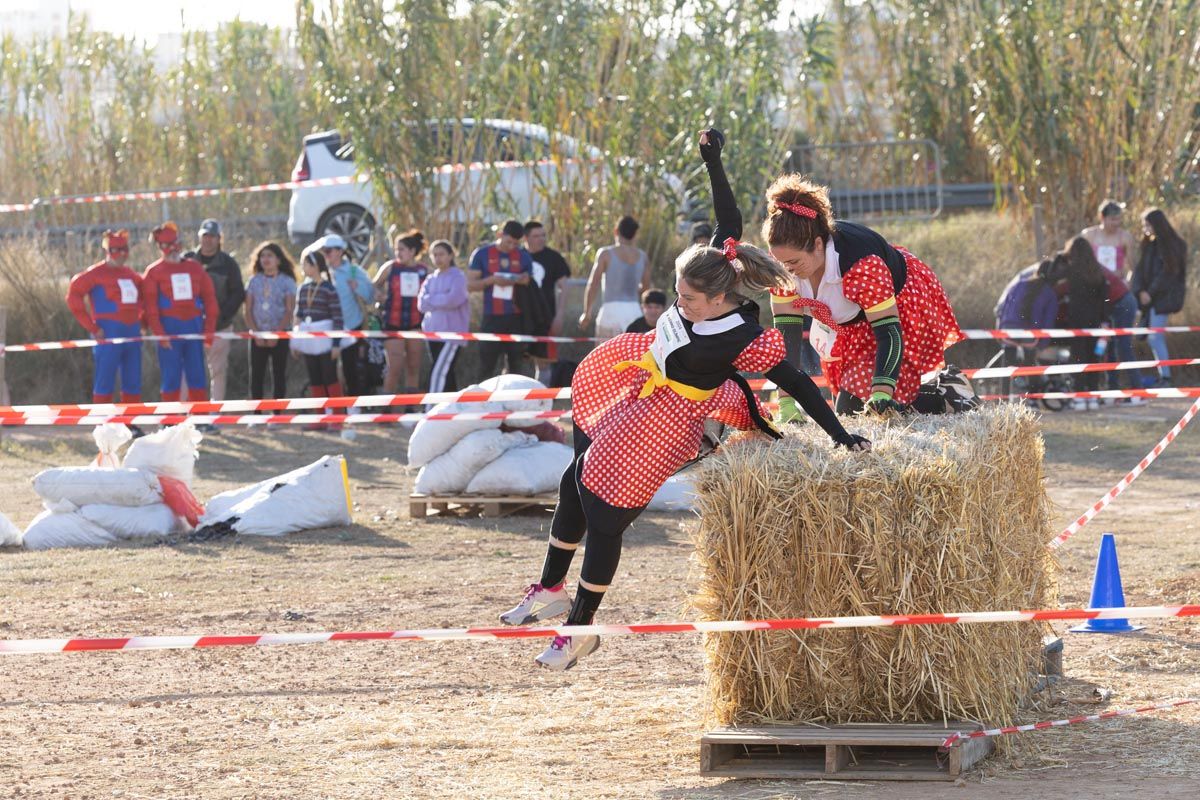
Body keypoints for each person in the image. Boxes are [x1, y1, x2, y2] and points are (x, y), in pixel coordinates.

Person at [498, 128, 870, 671]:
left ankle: (580, 628)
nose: (680, 303)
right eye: (679, 294)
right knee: (573, 480)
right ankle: (552, 587)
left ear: (722, 299)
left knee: (603, 516)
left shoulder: (744, 336)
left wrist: (841, 435)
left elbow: (797, 384)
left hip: (668, 419)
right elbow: (729, 214)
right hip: (634, 379)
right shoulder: (712, 268)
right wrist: (712, 161)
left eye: (690, 300)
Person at [752, 141, 963, 415]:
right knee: (852, 404)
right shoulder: (784, 272)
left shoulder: (861, 268)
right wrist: (787, 401)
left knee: (874, 402)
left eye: (793, 262)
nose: (787, 271)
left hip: (902, 303)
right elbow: (788, 340)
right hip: (852, 322)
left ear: (818, 245)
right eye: (780, 262)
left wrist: (882, 390)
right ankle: (926, 398)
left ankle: (950, 396)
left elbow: (889, 332)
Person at [142, 222, 218, 403]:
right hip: (169, 329)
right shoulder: (154, 272)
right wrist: (160, 334)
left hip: (193, 326)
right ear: (160, 247)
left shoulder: (194, 268)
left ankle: (201, 418)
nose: (173, 249)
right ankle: (170, 420)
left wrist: (209, 332)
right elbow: (150, 308)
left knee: (197, 375)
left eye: (175, 243)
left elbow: (210, 300)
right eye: (167, 246)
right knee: (171, 377)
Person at [66, 229, 144, 404]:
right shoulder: (95, 274)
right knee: (105, 379)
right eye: (116, 250)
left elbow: (145, 297)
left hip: (132, 333)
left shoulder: (131, 275)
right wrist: (92, 327)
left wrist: (142, 322)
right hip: (108, 332)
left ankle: (131, 422)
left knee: (133, 380)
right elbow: (73, 296)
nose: (121, 255)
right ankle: (102, 424)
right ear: (108, 251)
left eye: (124, 250)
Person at [317, 234, 374, 439]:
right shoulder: (320, 272)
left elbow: (370, 296)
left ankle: (353, 408)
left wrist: (356, 287)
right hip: (327, 329)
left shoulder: (354, 271)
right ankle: (333, 408)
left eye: (329, 251)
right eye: (323, 252)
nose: (326, 255)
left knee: (351, 369)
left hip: (351, 326)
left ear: (340, 251)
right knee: (328, 370)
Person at [1081, 201, 1139, 390]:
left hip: (1120, 295)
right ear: (1102, 218)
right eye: (1113, 219)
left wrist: (1127, 284)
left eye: (1119, 219)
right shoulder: (1089, 235)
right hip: (1099, 297)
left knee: (1124, 343)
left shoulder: (1125, 237)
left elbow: (1133, 267)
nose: (1117, 223)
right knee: (1104, 344)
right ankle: (1110, 387)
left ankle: (1135, 387)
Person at [468, 219, 533, 380]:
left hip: (516, 317)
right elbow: (470, 285)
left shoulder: (524, 256)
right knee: (486, 365)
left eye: (515, 244)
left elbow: (528, 281)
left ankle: (514, 402)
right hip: (492, 316)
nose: (511, 247)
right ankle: (482, 402)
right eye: (508, 242)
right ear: (500, 235)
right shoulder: (482, 254)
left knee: (516, 365)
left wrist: (519, 279)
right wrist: (492, 280)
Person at [188, 219, 245, 402]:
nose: (208, 240)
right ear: (199, 237)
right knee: (188, 372)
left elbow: (238, 293)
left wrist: (221, 315)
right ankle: (187, 412)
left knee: (218, 372)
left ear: (219, 239)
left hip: (220, 327)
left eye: (212, 236)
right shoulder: (187, 260)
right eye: (205, 236)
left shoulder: (229, 264)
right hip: (191, 327)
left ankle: (215, 413)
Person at [1131, 208, 1188, 387]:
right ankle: (1164, 375)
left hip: (1163, 299)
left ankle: (1166, 377)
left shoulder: (1172, 245)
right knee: (1152, 337)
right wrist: (1140, 290)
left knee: (1155, 337)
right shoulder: (1149, 245)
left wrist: (1150, 292)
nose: (1145, 228)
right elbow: (1139, 270)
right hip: (1150, 299)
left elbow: (1168, 273)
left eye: (1147, 224)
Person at [293, 249, 344, 429]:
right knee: (315, 377)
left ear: (314, 266)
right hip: (308, 338)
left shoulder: (329, 289)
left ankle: (337, 418)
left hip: (326, 339)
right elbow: (298, 315)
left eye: (305, 264)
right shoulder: (303, 288)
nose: (303, 267)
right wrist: (296, 341)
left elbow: (338, 317)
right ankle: (320, 418)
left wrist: (336, 344)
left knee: (329, 376)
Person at [374, 229, 429, 396]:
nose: (398, 253)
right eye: (396, 249)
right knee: (395, 366)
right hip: (393, 322)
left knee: (413, 366)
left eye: (402, 249)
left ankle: (410, 407)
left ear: (412, 251)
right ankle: (385, 407)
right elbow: (375, 285)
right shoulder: (390, 268)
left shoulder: (424, 270)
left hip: (415, 323)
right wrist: (379, 295)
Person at [579, 216, 651, 339]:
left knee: (606, 356)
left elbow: (593, 283)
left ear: (616, 231)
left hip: (610, 313)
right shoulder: (642, 256)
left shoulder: (605, 254)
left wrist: (587, 312)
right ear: (635, 235)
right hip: (635, 312)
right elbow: (646, 289)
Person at [1059, 237, 1110, 408]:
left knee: (1078, 358)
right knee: (1094, 358)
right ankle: (1093, 396)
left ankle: (1079, 396)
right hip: (1095, 321)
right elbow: (1104, 299)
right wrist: (1105, 320)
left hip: (1076, 322)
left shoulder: (1071, 271)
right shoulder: (1098, 272)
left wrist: (1061, 256)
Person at [244, 242, 298, 401]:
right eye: (262, 256)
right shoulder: (254, 281)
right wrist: (256, 333)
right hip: (257, 335)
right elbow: (247, 310)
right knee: (256, 375)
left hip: (279, 334)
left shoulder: (287, 281)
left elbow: (290, 310)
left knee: (279, 373)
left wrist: (277, 334)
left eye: (269, 256)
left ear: (278, 260)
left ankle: (277, 413)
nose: (265, 259)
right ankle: (256, 414)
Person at [418, 240, 470, 394]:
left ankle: (431, 407)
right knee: (446, 372)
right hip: (432, 333)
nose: (438, 258)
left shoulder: (458, 277)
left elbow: (453, 300)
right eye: (434, 255)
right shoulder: (430, 279)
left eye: (441, 254)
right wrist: (441, 298)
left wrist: (432, 299)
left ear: (450, 255)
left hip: (452, 334)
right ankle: (451, 407)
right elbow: (421, 304)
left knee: (439, 371)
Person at [524, 220, 573, 385]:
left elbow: (564, 287)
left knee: (543, 361)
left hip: (545, 317)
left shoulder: (553, 257)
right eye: (536, 236)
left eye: (543, 235)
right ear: (526, 238)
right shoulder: (517, 256)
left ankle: (541, 400)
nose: (541, 239)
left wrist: (559, 315)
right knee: (514, 359)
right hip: (519, 317)